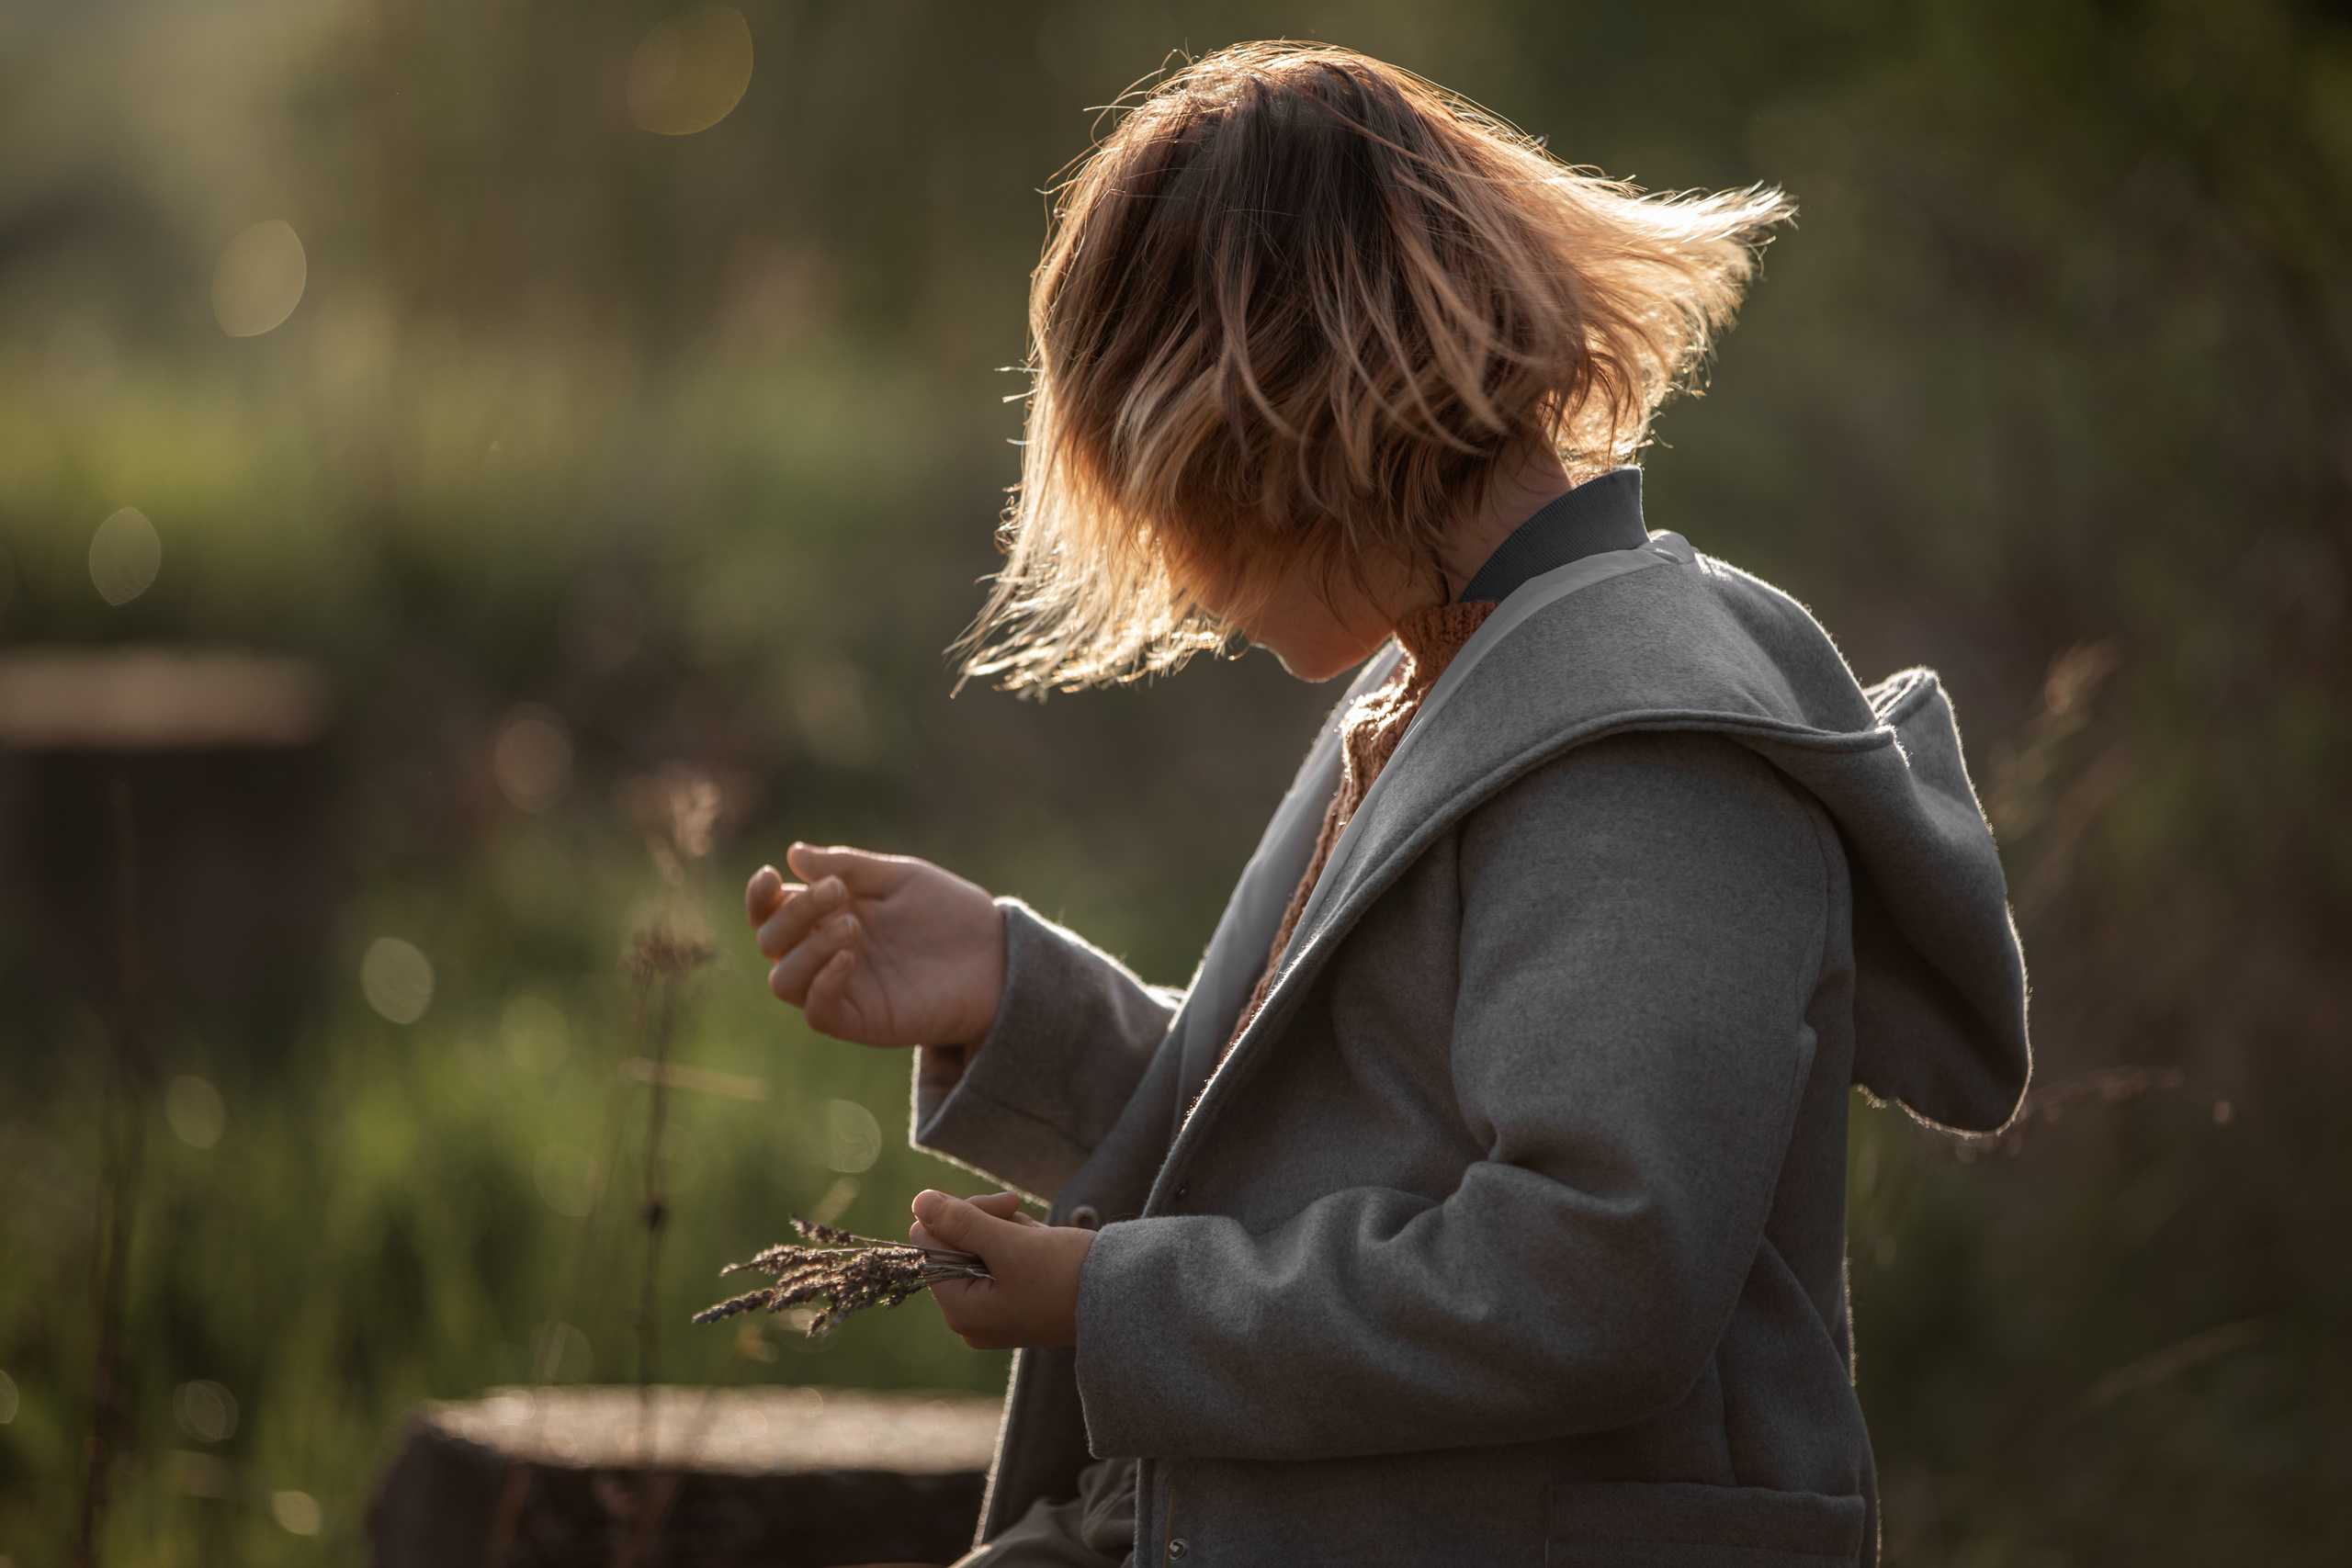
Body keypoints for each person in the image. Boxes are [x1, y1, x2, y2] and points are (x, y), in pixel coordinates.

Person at [745, 42, 2029, 1568]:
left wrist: (1111, 1301)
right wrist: (1020, 999)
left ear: (1293, 422)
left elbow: (1589, 1276)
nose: (1180, 575)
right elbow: (1349, 1140)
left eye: (1176, 496)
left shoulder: (1648, 759)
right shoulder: (1440, 679)